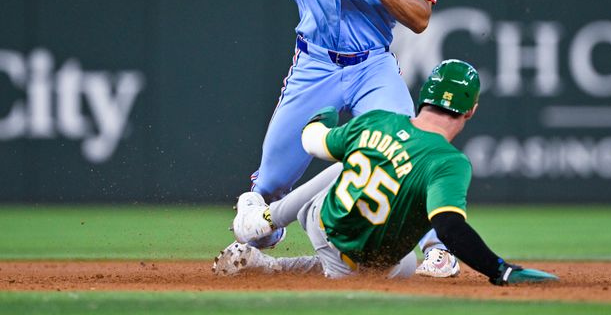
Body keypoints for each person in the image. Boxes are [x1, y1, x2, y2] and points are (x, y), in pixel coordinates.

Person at [213, 0, 455, 277]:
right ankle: (268, 238)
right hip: (314, 65)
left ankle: (437, 248)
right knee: (267, 189)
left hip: (373, 67)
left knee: (407, 155)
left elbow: (420, 19)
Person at [212, 60, 559, 286]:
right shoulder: (449, 162)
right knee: (407, 249)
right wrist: (499, 270)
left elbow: (313, 142)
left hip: (320, 220)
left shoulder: (379, 120)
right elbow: (450, 228)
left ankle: (266, 229)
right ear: (470, 111)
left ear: (423, 96)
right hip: (360, 263)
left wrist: (323, 117)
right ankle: (266, 223)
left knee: (346, 167)